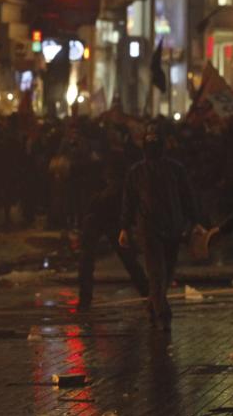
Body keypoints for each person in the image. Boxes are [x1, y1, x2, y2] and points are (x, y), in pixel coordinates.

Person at [119, 126, 205, 330]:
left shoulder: (173, 170)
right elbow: (129, 202)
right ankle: (161, 310)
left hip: (169, 228)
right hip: (153, 228)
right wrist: (124, 227)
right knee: (158, 271)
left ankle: (154, 304)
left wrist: (195, 221)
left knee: (165, 270)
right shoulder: (139, 172)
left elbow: (186, 197)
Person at [78, 157, 148, 308]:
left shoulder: (111, 185)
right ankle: (147, 292)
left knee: (88, 259)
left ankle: (85, 299)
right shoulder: (119, 185)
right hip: (104, 218)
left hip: (102, 218)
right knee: (127, 258)